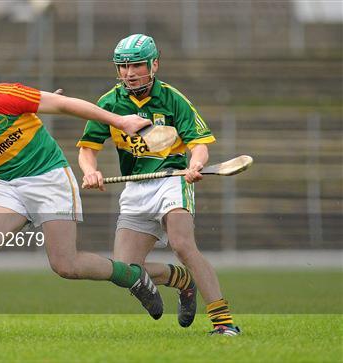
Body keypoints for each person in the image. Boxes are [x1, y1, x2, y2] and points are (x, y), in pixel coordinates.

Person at [0, 50, 163, 341]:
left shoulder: (3, 96)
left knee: (66, 265)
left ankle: (133, 276)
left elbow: (63, 105)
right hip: (9, 183)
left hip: (50, 177)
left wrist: (120, 122)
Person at [77, 34, 240, 336]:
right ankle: (181, 281)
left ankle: (224, 322)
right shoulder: (109, 103)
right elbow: (87, 149)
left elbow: (200, 144)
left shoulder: (172, 98)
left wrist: (195, 165)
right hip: (136, 188)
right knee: (125, 270)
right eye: (123, 66)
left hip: (172, 179)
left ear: (154, 64)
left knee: (182, 244)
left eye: (137, 65)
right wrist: (91, 171)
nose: (129, 72)